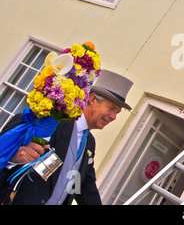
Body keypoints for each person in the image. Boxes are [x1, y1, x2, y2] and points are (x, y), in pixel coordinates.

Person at [0, 69, 133, 205]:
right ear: (92, 99)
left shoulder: (89, 143)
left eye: (117, 112)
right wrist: (14, 157)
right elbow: (5, 148)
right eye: (111, 108)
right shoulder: (51, 121)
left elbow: (84, 187)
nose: (113, 117)